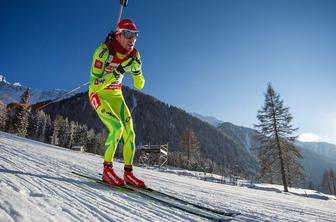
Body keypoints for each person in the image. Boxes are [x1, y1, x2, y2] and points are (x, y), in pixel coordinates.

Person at [88, 19, 145, 188]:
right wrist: (119, 71)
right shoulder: (103, 52)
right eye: (128, 34)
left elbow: (139, 85)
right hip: (99, 95)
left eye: (135, 35)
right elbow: (94, 85)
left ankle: (128, 173)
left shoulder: (134, 54)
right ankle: (107, 170)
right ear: (119, 34)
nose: (132, 39)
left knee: (130, 133)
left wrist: (137, 71)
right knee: (117, 128)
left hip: (116, 96)